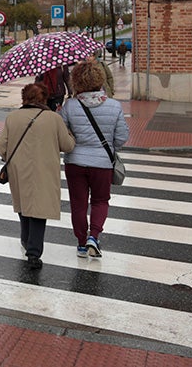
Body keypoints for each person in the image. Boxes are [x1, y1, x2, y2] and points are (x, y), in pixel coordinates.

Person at [0, 83, 76, 270]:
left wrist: (8, 158)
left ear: (24, 98)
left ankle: (26, 240)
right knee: (39, 209)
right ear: (44, 98)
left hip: (18, 169)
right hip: (44, 170)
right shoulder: (53, 119)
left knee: (24, 205)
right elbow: (68, 145)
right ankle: (34, 252)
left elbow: (1, 146)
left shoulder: (12, 117)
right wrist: (69, 132)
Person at [59, 60, 130, 259]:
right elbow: (122, 137)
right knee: (100, 201)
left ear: (76, 81)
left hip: (75, 163)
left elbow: (62, 133)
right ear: (100, 79)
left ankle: (81, 242)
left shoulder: (70, 105)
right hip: (102, 164)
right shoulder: (115, 106)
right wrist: (109, 147)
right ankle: (94, 236)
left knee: (78, 204)